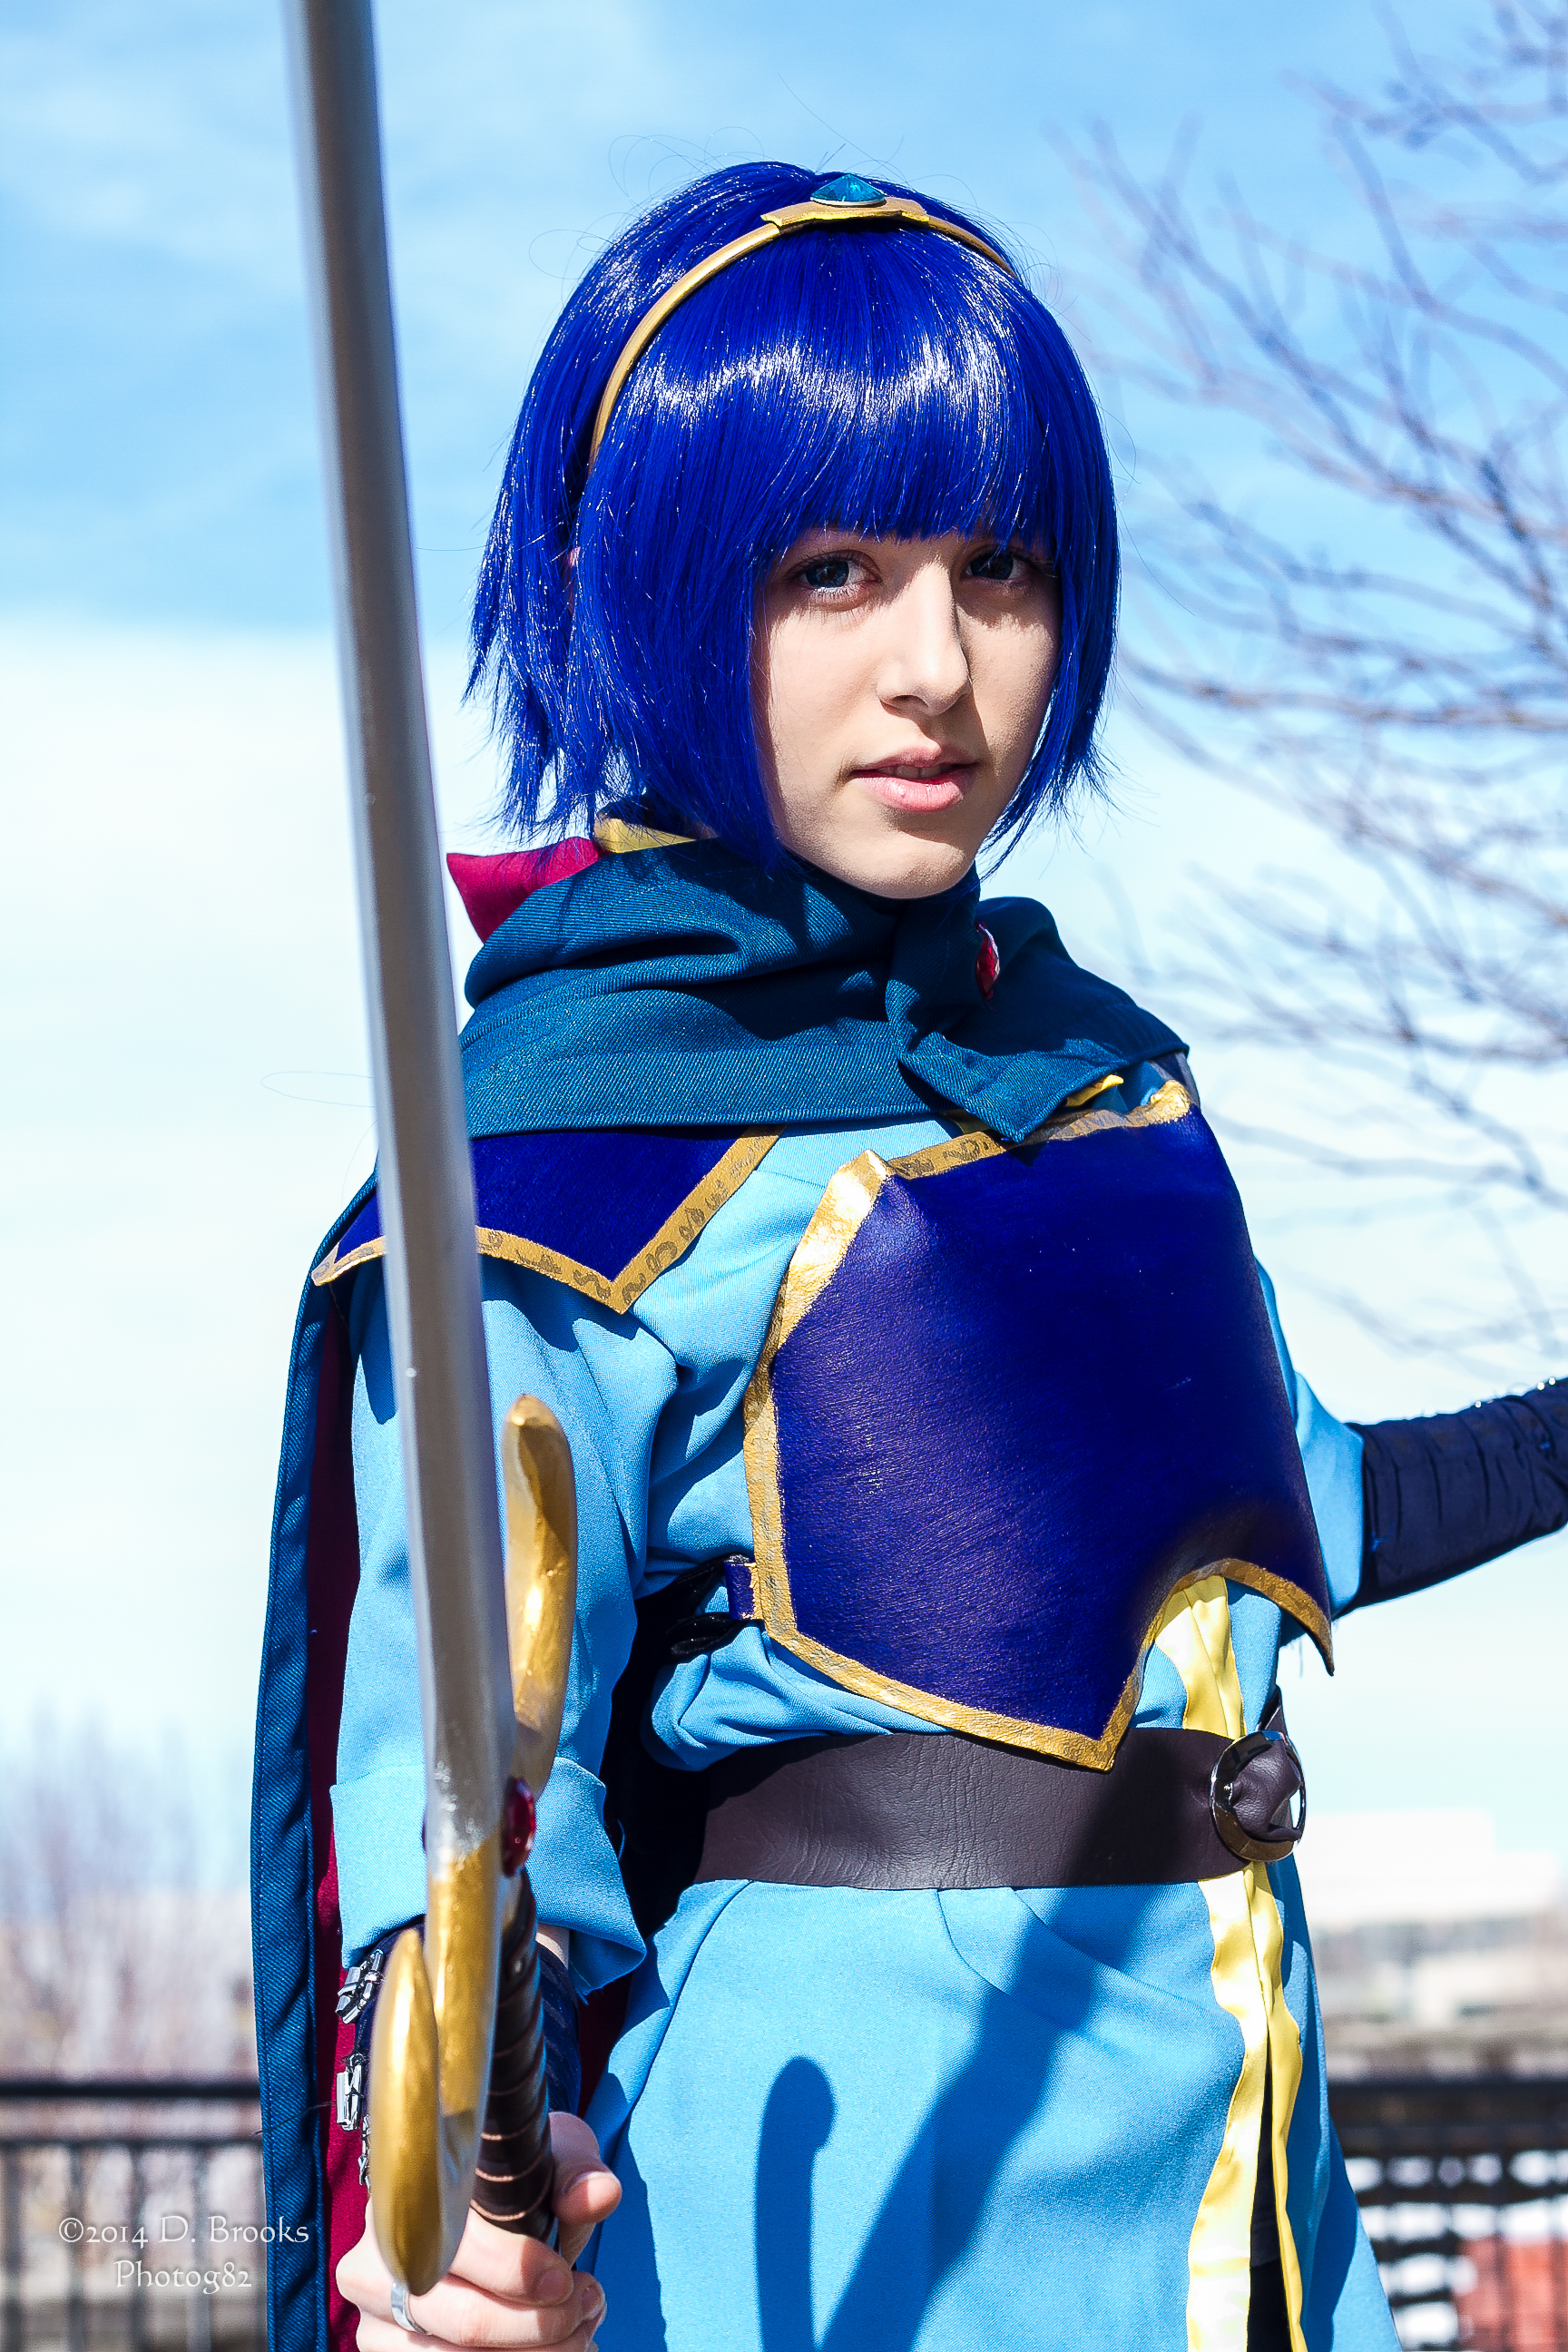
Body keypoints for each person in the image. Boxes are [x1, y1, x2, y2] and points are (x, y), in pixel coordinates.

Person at [252, 161, 1568, 2352]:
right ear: (653, 593)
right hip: (838, 2201)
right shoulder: (557, 1158)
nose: (936, 668)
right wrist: (471, 2182)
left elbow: (1298, 1510)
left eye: (1001, 569)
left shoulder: (1105, 1081)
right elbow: (458, 1788)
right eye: (831, 571)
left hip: (1246, 2150)